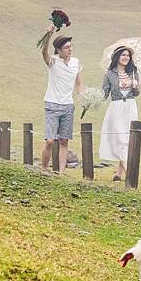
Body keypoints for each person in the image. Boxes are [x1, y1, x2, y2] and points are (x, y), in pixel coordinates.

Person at [40, 24, 83, 173]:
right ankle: (44, 169)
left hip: (68, 106)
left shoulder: (76, 62)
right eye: (66, 47)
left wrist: (82, 97)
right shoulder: (53, 61)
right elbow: (44, 51)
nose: (70, 49)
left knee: (64, 141)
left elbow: (78, 83)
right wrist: (48, 35)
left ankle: (61, 173)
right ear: (58, 50)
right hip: (52, 104)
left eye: (70, 46)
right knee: (50, 141)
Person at [99, 46, 140, 181]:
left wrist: (136, 87)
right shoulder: (109, 74)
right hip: (116, 108)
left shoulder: (133, 72)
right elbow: (104, 93)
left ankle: (118, 173)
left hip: (130, 106)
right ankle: (130, 173)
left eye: (128, 55)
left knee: (128, 139)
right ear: (117, 57)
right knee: (120, 139)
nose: (126, 58)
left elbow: (136, 93)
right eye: (123, 55)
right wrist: (92, 99)